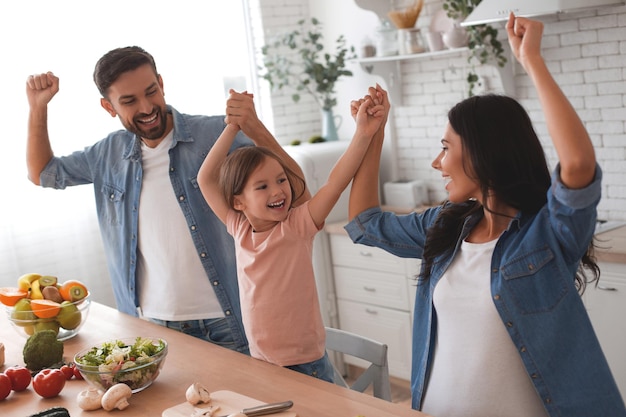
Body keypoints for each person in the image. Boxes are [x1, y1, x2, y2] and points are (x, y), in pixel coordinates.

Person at [345, 14, 626, 417]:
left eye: (446, 147)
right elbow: (365, 224)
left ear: (483, 151)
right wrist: (371, 136)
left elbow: (578, 162)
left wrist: (531, 61)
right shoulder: (446, 226)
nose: (437, 161)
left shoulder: (546, 235)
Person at [24, 46, 283, 354]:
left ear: (161, 84)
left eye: (151, 92)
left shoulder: (215, 134)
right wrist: (38, 106)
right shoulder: (108, 154)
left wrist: (254, 126)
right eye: (130, 101)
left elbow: (287, 184)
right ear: (109, 107)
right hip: (153, 328)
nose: (147, 107)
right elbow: (42, 173)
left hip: (228, 320)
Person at [197, 89, 385, 381]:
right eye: (262, 186)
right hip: (262, 363)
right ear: (238, 202)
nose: (278, 191)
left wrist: (362, 134)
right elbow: (204, 178)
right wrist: (233, 125)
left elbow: (335, 183)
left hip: (306, 364)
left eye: (281, 180)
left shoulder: (296, 226)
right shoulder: (240, 229)